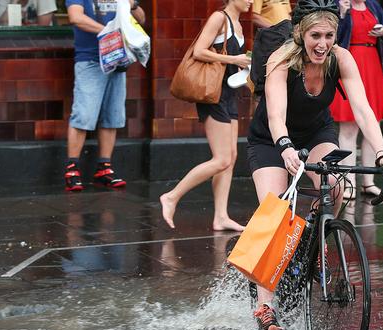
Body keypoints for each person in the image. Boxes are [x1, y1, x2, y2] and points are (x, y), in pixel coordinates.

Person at [246, 0, 383, 330]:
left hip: (317, 131)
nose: (323, 43)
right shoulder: (281, 60)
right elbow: (274, 116)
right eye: (316, 35)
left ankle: (312, 249)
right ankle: (264, 306)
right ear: (301, 33)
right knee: (273, 213)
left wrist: (382, 153)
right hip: (271, 139)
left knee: (335, 185)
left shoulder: (341, 59)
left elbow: (362, 109)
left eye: (330, 35)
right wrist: (285, 147)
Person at [159, 0, 252, 231]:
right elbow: (199, 50)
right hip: (212, 95)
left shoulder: (237, 24)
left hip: (229, 93)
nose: (252, 0)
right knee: (221, 159)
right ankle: (171, 197)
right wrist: (233, 60)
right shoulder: (219, 18)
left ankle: (220, 216)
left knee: (230, 157)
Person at [63, 0, 145, 192]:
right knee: (83, 115)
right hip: (91, 60)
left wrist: (133, 4)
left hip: (118, 59)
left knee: (113, 116)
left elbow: (141, 19)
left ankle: (104, 169)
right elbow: (75, 17)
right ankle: (72, 168)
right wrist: (111, 33)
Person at [330, 0, 383, 199]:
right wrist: (342, 14)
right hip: (350, 64)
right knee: (348, 128)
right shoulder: (338, 4)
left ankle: (369, 182)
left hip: (373, 67)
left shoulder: (374, 6)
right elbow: (334, 39)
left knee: (372, 124)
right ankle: (348, 182)